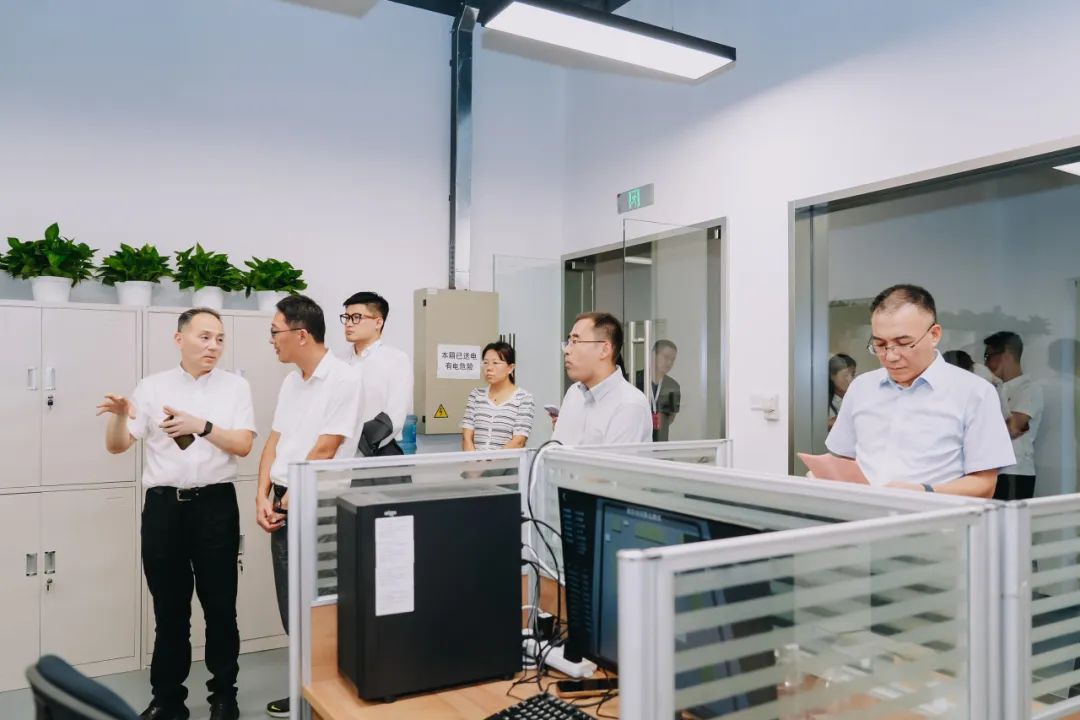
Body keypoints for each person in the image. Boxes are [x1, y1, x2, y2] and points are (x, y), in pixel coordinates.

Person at [97, 308, 256, 720]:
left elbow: (243, 445)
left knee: (221, 607)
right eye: (204, 337)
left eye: (219, 338)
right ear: (179, 339)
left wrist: (202, 426)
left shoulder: (235, 387)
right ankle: (167, 700)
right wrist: (119, 416)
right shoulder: (152, 387)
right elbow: (117, 446)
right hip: (164, 509)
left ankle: (224, 697)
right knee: (169, 611)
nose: (213, 346)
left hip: (216, 506)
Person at [258, 296, 363, 719]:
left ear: (301, 334)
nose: (272, 340)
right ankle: (306, 689)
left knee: (321, 607)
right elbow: (275, 440)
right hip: (284, 499)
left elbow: (326, 448)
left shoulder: (344, 379)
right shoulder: (291, 382)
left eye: (275, 332)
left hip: (319, 505)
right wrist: (262, 494)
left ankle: (328, 695)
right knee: (292, 606)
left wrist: (284, 503)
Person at [825, 284, 1014, 497]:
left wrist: (924, 492)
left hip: (933, 516)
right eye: (880, 345)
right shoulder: (861, 388)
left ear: (934, 335)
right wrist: (825, 478)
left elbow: (985, 485)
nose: (891, 356)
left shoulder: (975, 393)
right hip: (863, 515)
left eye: (904, 343)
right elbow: (843, 460)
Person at [551, 311, 652, 445]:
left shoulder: (630, 404)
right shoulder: (573, 393)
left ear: (604, 349)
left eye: (575, 341)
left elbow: (614, 459)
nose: (567, 350)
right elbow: (555, 450)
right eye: (568, 342)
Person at [341, 291, 413, 455]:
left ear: (378, 322)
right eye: (346, 317)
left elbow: (394, 416)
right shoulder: (338, 362)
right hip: (338, 452)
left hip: (377, 450)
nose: (349, 324)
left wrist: (354, 443)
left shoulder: (396, 360)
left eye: (356, 317)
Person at [984, 331, 1043, 500]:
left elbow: (1012, 429)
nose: (986, 363)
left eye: (989, 356)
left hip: (1015, 472)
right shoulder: (993, 387)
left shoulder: (1029, 389)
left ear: (1007, 354)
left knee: (1011, 518)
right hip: (989, 471)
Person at [461, 341, 535, 450]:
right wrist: (474, 460)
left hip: (508, 461)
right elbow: (467, 437)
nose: (489, 368)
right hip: (474, 460)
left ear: (510, 368)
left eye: (495, 363)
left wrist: (492, 460)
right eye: (485, 363)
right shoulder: (476, 395)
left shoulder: (524, 398)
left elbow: (518, 441)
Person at [635, 340, 682, 441]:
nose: (669, 363)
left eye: (672, 360)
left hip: (660, 441)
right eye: (666, 357)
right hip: (636, 440)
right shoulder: (633, 379)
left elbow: (671, 417)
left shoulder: (673, 386)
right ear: (653, 355)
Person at [826, 353, 856, 431]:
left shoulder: (856, 399)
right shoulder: (821, 404)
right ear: (832, 376)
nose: (850, 380)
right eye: (845, 375)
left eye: (853, 374)